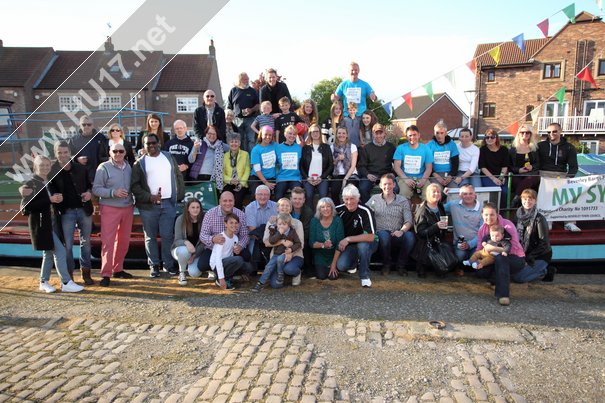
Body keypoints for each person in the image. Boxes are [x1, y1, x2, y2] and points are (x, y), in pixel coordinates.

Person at [22, 155, 84, 293]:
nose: (44, 167)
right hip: (42, 224)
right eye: (41, 165)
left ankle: (43, 281)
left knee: (48, 253)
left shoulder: (49, 181)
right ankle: (66, 282)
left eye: (47, 165)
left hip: (53, 222)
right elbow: (25, 207)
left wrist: (58, 200)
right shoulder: (31, 183)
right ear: (35, 167)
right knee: (60, 250)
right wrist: (49, 199)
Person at [131, 133, 185, 277]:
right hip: (148, 206)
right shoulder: (139, 163)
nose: (151, 145)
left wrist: (179, 195)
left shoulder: (168, 157)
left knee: (167, 236)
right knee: (150, 237)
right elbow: (134, 186)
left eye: (153, 142)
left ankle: (168, 265)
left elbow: (178, 176)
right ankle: (154, 265)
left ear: (159, 143)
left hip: (168, 203)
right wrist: (150, 197)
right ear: (144, 145)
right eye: (148, 143)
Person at [474, 202, 544, 306]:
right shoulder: (482, 229)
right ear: (482, 215)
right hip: (493, 258)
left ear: (497, 214)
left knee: (500, 259)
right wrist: (477, 259)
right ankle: (498, 276)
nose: (489, 217)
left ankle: (503, 295)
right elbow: (479, 247)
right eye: (486, 215)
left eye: (492, 214)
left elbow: (513, 247)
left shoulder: (507, 225)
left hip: (514, 257)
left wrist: (493, 248)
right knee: (480, 272)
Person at [49, 141, 95, 285]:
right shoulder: (52, 171)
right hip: (65, 212)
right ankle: (69, 275)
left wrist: (89, 193)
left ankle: (86, 272)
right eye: (60, 153)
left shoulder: (80, 168)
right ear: (55, 154)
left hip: (83, 209)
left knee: (86, 242)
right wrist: (54, 198)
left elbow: (90, 186)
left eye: (65, 152)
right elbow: (48, 190)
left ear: (69, 152)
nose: (63, 155)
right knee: (67, 245)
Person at [92, 142, 135, 287]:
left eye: (120, 151)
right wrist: (112, 192)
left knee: (123, 241)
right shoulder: (103, 168)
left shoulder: (128, 166)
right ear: (110, 152)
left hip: (127, 207)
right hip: (110, 207)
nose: (118, 154)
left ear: (125, 152)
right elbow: (96, 189)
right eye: (115, 151)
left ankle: (118, 269)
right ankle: (105, 274)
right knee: (108, 242)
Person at [367, 173, 415, 276]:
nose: (387, 186)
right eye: (384, 184)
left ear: (394, 185)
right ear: (380, 185)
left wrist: (401, 231)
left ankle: (401, 265)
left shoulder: (403, 200)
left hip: (397, 233)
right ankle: (386, 265)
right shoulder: (374, 199)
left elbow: (408, 221)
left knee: (410, 237)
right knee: (384, 236)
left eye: (389, 184)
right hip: (381, 234)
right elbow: (365, 213)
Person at [537, 122, 580, 232]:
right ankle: (548, 220)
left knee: (570, 195)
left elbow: (573, 166)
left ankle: (569, 222)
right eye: (549, 132)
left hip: (561, 175)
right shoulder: (540, 146)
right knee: (547, 194)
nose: (552, 134)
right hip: (544, 174)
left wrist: (569, 179)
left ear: (560, 131)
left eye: (555, 131)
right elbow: (535, 163)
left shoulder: (569, 147)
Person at [335, 184, 378, 288]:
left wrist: (348, 239)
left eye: (352, 198)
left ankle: (364, 276)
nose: (349, 202)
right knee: (341, 266)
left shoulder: (365, 211)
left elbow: (371, 237)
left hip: (369, 243)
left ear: (358, 198)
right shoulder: (338, 210)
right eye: (346, 199)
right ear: (343, 199)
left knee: (362, 246)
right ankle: (354, 262)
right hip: (350, 245)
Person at [199, 191, 250, 275]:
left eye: (230, 201)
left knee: (247, 257)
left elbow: (245, 235)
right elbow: (203, 235)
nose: (228, 203)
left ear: (234, 201)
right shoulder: (210, 214)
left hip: (232, 248)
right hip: (214, 248)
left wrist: (240, 246)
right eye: (225, 201)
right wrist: (213, 239)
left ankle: (229, 272)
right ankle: (219, 271)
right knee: (202, 265)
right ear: (220, 201)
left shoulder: (240, 214)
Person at [260, 198, 305, 288]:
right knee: (275, 285)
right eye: (282, 205)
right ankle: (281, 275)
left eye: (287, 205)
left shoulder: (297, 223)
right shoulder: (272, 223)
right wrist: (281, 242)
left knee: (289, 269)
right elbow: (266, 242)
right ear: (277, 208)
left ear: (291, 208)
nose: (285, 207)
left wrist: (290, 252)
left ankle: (296, 273)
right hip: (277, 256)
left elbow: (301, 244)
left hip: (295, 254)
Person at [252, 213, 302, 291]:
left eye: (284, 224)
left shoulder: (292, 232)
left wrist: (291, 249)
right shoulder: (274, 230)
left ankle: (280, 275)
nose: (281, 226)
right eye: (279, 224)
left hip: (285, 254)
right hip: (276, 254)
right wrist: (279, 233)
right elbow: (271, 241)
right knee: (268, 266)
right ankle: (260, 283)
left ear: (288, 225)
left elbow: (298, 243)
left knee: (280, 259)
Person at [411, 183, 450, 278]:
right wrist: (436, 226)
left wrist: (444, 194)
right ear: (427, 194)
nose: (436, 194)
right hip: (426, 244)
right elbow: (420, 233)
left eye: (438, 192)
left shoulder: (439, 206)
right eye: (434, 192)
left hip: (439, 240)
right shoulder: (422, 211)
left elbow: (439, 199)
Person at [515, 189, 555, 281]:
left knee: (519, 278)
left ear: (535, 201)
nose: (527, 201)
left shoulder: (539, 219)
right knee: (512, 274)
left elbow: (543, 243)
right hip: (523, 254)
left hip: (539, 255)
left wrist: (529, 257)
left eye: (531, 199)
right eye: (525, 199)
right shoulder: (517, 216)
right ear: (521, 200)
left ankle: (545, 270)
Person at [443, 184, 483, 270]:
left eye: (470, 193)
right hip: (459, 241)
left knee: (476, 262)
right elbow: (438, 208)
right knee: (459, 257)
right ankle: (460, 268)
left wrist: (470, 244)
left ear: (475, 194)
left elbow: (482, 233)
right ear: (460, 195)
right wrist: (442, 196)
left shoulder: (482, 208)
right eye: (465, 194)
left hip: (476, 243)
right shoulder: (453, 205)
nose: (468, 196)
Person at [210, 213, 252, 290]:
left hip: (227, 263)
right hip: (216, 265)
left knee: (248, 267)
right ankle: (222, 279)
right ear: (225, 224)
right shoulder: (221, 238)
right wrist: (221, 278)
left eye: (236, 223)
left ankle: (229, 276)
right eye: (231, 223)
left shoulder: (235, 238)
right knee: (238, 259)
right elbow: (218, 259)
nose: (234, 225)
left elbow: (231, 255)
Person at [357, 123, 396, 204]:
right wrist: (367, 174)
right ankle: (368, 208)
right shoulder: (367, 148)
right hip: (371, 175)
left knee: (396, 189)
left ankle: (390, 208)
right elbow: (361, 166)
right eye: (376, 133)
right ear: (372, 134)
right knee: (362, 188)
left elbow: (396, 164)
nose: (378, 136)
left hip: (386, 175)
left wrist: (393, 174)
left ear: (384, 133)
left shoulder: (391, 147)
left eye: (380, 133)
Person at [171, 198, 205, 286]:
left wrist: (194, 256)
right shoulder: (181, 219)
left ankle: (205, 268)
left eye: (198, 207)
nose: (195, 209)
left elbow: (204, 242)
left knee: (194, 273)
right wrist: (186, 242)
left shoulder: (204, 219)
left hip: (197, 252)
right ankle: (181, 272)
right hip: (181, 250)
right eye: (193, 207)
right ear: (188, 209)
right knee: (184, 251)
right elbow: (177, 241)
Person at [393, 125, 433, 199]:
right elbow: (397, 167)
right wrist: (406, 179)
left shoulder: (426, 149)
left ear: (419, 135)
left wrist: (424, 180)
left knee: (429, 194)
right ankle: (406, 210)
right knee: (403, 195)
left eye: (414, 135)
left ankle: (424, 210)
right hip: (405, 178)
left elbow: (429, 168)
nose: (412, 137)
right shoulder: (400, 148)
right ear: (406, 137)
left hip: (421, 177)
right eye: (410, 135)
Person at [309, 197, 345, 280]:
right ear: (319, 209)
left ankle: (335, 265)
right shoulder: (314, 221)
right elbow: (311, 243)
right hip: (320, 255)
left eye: (328, 206)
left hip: (335, 254)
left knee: (333, 277)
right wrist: (323, 245)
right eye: (322, 207)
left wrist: (333, 264)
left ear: (332, 208)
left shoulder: (337, 220)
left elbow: (340, 243)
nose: (326, 209)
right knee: (321, 276)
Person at [245, 185, 278, 273]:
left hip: (271, 237)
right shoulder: (249, 208)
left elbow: (278, 227)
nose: (263, 197)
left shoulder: (276, 206)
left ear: (269, 196)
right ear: (255, 196)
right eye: (260, 194)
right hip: (256, 239)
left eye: (266, 195)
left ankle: (272, 268)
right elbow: (253, 230)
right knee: (252, 268)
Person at [301, 123, 334, 208]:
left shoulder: (326, 147)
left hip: (322, 178)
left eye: (317, 131)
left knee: (323, 196)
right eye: (313, 132)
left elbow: (331, 165)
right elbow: (301, 166)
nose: (315, 134)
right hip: (308, 178)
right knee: (308, 196)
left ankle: (322, 218)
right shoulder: (305, 148)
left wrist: (322, 177)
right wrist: (307, 178)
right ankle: (309, 219)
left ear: (320, 133)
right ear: (310, 134)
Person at [68, 115, 108, 181]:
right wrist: (76, 159)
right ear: (80, 126)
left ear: (93, 125)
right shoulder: (73, 140)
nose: (86, 126)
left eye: (89, 124)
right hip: (80, 175)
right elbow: (67, 156)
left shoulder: (101, 138)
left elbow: (106, 154)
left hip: (99, 174)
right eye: (84, 124)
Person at [227, 72, 260, 153]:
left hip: (251, 119)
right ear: (239, 80)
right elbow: (229, 107)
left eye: (247, 79)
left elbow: (258, 105)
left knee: (251, 140)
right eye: (245, 79)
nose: (247, 81)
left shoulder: (252, 91)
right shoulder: (233, 90)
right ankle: (240, 160)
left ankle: (251, 161)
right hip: (236, 120)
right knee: (238, 140)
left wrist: (251, 110)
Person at [188, 125, 228, 192]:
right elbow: (191, 160)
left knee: (211, 200)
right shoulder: (200, 143)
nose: (211, 136)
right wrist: (195, 148)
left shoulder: (221, 145)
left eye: (214, 134)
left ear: (217, 135)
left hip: (213, 178)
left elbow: (233, 149)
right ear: (205, 134)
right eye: (209, 133)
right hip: (198, 177)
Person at [509, 125, 540, 207]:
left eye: (527, 132)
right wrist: (519, 170)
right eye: (522, 132)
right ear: (518, 134)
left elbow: (539, 163)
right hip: (517, 174)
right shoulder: (512, 149)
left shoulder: (534, 148)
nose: (525, 134)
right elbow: (509, 166)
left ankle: (516, 198)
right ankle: (521, 204)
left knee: (529, 179)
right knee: (519, 183)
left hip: (531, 174)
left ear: (530, 135)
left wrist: (532, 167)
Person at [479, 129, 510, 207]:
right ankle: (492, 212)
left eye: (492, 137)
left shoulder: (504, 149)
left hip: (500, 176)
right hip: (487, 176)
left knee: (505, 192)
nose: (489, 139)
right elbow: (482, 167)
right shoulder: (482, 150)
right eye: (487, 137)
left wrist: (501, 177)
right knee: (495, 190)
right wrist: (493, 178)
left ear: (496, 138)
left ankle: (502, 213)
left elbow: (505, 166)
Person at [330, 126, 359, 203]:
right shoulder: (332, 147)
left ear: (346, 135)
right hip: (337, 174)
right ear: (336, 135)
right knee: (334, 191)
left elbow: (353, 166)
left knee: (350, 193)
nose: (341, 135)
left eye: (343, 133)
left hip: (350, 174)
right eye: (339, 133)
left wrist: (345, 179)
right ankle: (338, 210)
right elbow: (331, 164)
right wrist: (337, 159)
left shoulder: (353, 147)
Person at [290, 187, 314, 280]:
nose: (297, 201)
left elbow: (307, 231)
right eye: (295, 198)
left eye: (300, 199)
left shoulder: (308, 212)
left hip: (302, 238)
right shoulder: (287, 209)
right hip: (287, 237)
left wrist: (296, 241)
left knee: (307, 244)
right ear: (291, 199)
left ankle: (308, 268)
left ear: (304, 200)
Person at [222, 132, 250, 209]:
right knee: (226, 198)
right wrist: (230, 180)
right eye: (232, 142)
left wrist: (241, 183)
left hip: (241, 182)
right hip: (228, 182)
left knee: (237, 200)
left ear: (239, 143)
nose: (234, 144)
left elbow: (247, 170)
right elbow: (222, 172)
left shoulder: (245, 154)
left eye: (236, 142)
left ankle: (237, 218)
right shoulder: (224, 156)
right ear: (228, 143)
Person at [274, 124, 303, 200]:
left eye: (294, 134)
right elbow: (274, 163)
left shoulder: (299, 148)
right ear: (285, 134)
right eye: (290, 133)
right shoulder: (278, 147)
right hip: (282, 178)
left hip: (295, 178)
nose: (292, 136)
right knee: (278, 197)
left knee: (298, 197)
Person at [428, 121, 459, 189]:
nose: (439, 135)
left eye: (442, 133)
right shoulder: (429, 145)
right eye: (437, 133)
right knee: (437, 190)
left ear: (445, 133)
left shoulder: (452, 144)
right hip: (435, 175)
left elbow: (455, 163)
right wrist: (436, 176)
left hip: (449, 174)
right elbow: (427, 164)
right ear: (434, 133)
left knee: (454, 190)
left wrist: (450, 176)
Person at [249, 125, 278, 196]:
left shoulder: (275, 146)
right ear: (261, 135)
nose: (268, 137)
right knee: (259, 195)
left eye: (270, 135)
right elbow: (257, 169)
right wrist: (266, 183)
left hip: (271, 177)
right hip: (257, 178)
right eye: (265, 134)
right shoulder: (256, 149)